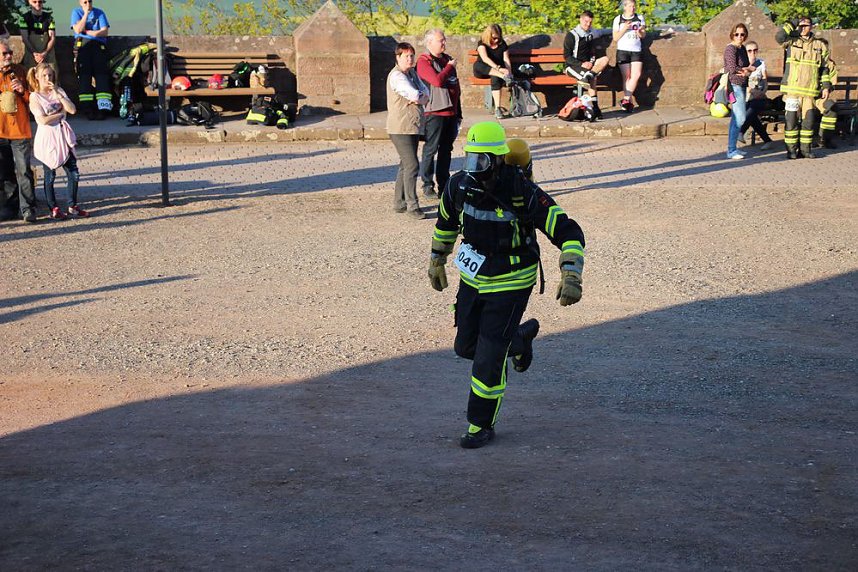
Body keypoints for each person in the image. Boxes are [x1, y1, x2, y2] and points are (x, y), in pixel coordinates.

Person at [427, 123, 586, 449]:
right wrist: (436, 259)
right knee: (465, 347)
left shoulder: (522, 191)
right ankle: (517, 340)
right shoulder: (459, 186)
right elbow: (445, 223)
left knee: (488, 356)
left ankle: (479, 424)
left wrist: (571, 274)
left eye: (482, 162)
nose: (475, 170)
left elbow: (568, 231)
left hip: (512, 280)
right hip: (473, 278)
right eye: (471, 160)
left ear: (498, 160)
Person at [28, 63, 88, 220]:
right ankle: (53, 207)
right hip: (48, 138)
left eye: (50, 75)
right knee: (50, 175)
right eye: (44, 76)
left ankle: (72, 205)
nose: (48, 78)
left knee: (73, 173)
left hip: (63, 136)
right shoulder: (35, 96)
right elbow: (42, 120)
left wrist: (57, 93)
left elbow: (72, 109)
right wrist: (60, 114)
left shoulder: (59, 91)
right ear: (37, 77)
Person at [776, 16, 831, 159]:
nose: (803, 28)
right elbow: (779, 36)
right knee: (791, 122)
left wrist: (825, 86)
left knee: (808, 122)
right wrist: (793, 22)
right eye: (801, 26)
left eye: (806, 25)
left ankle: (806, 150)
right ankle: (792, 151)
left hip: (809, 92)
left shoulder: (820, 45)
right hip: (792, 91)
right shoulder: (791, 41)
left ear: (812, 27)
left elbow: (824, 69)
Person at [386, 42, 430, 220]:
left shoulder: (411, 73)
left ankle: (399, 202)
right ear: (398, 58)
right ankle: (413, 206)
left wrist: (420, 97)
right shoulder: (397, 76)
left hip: (411, 125)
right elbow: (415, 95)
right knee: (412, 164)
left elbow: (425, 93)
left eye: (412, 55)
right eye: (406, 56)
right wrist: (419, 97)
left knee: (405, 164)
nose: (410, 59)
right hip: (400, 127)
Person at [416, 28, 461, 200]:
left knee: (446, 150)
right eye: (440, 40)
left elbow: (455, 87)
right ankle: (427, 185)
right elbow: (437, 81)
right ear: (429, 43)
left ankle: (444, 185)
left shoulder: (447, 60)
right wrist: (449, 68)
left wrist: (458, 113)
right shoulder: (423, 61)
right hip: (434, 112)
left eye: (444, 39)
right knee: (431, 149)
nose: (444, 43)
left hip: (451, 112)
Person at [0, 39, 37, 223]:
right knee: (5, 172)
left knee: (24, 171)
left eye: (9, 53)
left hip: (20, 130)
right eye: (4, 53)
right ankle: (10, 207)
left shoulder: (20, 72)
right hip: (1, 131)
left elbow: (35, 99)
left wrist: (23, 90)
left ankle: (28, 208)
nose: (8, 56)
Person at [564, 10, 609, 119]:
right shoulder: (572, 35)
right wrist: (581, 64)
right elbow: (567, 56)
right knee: (589, 80)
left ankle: (594, 108)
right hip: (573, 66)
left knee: (605, 59)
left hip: (588, 66)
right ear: (580, 19)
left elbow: (602, 32)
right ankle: (592, 108)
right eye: (586, 21)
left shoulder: (591, 33)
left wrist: (621, 29)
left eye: (590, 22)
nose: (588, 24)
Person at [70, 0, 112, 119]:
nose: (88, 4)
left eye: (89, 1)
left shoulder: (100, 12)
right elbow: (78, 30)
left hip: (99, 47)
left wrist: (92, 33)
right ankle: (87, 109)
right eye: (85, 2)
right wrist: (86, 14)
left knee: (102, 77)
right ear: (80, 2)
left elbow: (104, 32)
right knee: (84, 78)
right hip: (83, 46)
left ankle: (103, 109)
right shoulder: (76, 12)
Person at [723, 23, 753, 160]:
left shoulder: (742, 48)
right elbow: (731, 67)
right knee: (740, 118)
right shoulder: (731, 49)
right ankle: (731, 150)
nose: (740, 37)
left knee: (736, 117)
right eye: (737, 34)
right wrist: (746, 70)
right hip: (734, 85)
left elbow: (744, 66)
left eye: (742, 34)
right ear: (732, 34)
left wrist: (748, 70)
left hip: (742, 85)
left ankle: (732, 148)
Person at [472, 24, 513, 120]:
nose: (496, 41)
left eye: (498, 38)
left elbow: (506, 60)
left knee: (495, 77)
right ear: (488, 35)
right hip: (483, 70)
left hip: (497, 73)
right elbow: (485, 58)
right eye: (494, 38)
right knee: (478, 65)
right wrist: (499, 69)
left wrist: (509, 73)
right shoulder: (482, 43)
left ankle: (497, 108)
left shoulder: (502, 44)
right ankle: (502, 76)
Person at [612, 0, 646, 113]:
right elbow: (615, 38)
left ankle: (625, 99)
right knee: (626, 77)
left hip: (636, 50)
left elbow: (643, 35)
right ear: (625, 7)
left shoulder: (639, 17)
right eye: (630, 6)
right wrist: (624, 28)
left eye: (634, 6)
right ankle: (628, 103)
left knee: (636, 75)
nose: (633, 8)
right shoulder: (618, 19)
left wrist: (639, 32)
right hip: (623, 50)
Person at [738, 41, 773, 150]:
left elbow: (765, 82)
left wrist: (761, 92)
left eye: (755, 50)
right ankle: (767, 140)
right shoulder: (742, 64)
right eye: (749, 50)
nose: (753, 53)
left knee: (753, 106)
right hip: (747, 97)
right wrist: (749, 89)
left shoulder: (761, 63)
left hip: (760, 98)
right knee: (751, 110)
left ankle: (741, 131)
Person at [19, 0, 58, 72]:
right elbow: (25, 38)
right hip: (31, 54)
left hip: (47, 54)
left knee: (50, 76)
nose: (38, 4)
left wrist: (44, 53)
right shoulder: (23, 18)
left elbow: (52, 38)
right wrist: (35, 54)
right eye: (34, 2)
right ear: (29, 2)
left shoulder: (50, 18)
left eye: (40, 2)